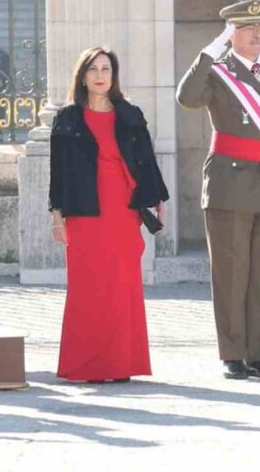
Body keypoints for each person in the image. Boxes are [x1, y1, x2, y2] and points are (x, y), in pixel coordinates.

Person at [177, 0, 260, 380]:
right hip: (230, 184)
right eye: (248, 29)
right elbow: (187, 97)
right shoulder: (216, 71)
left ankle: (259, 353)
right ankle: (232, 353)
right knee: (231, 273)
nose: (258, 34)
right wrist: (211, 51)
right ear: (231, 34)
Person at [50, 47, 167, 383]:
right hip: (83, 210)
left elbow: (147, 161)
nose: (100, 75)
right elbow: (57, 173)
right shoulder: (67, 118)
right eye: (93, 69)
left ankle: (121, 364)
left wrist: (159, 200)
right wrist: (56, 216)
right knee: (87, 285)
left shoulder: (130, 115)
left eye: (106, 69)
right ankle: (88, 365)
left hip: (122, 208)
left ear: (113, 76)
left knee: (122, 283)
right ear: (82, 76)